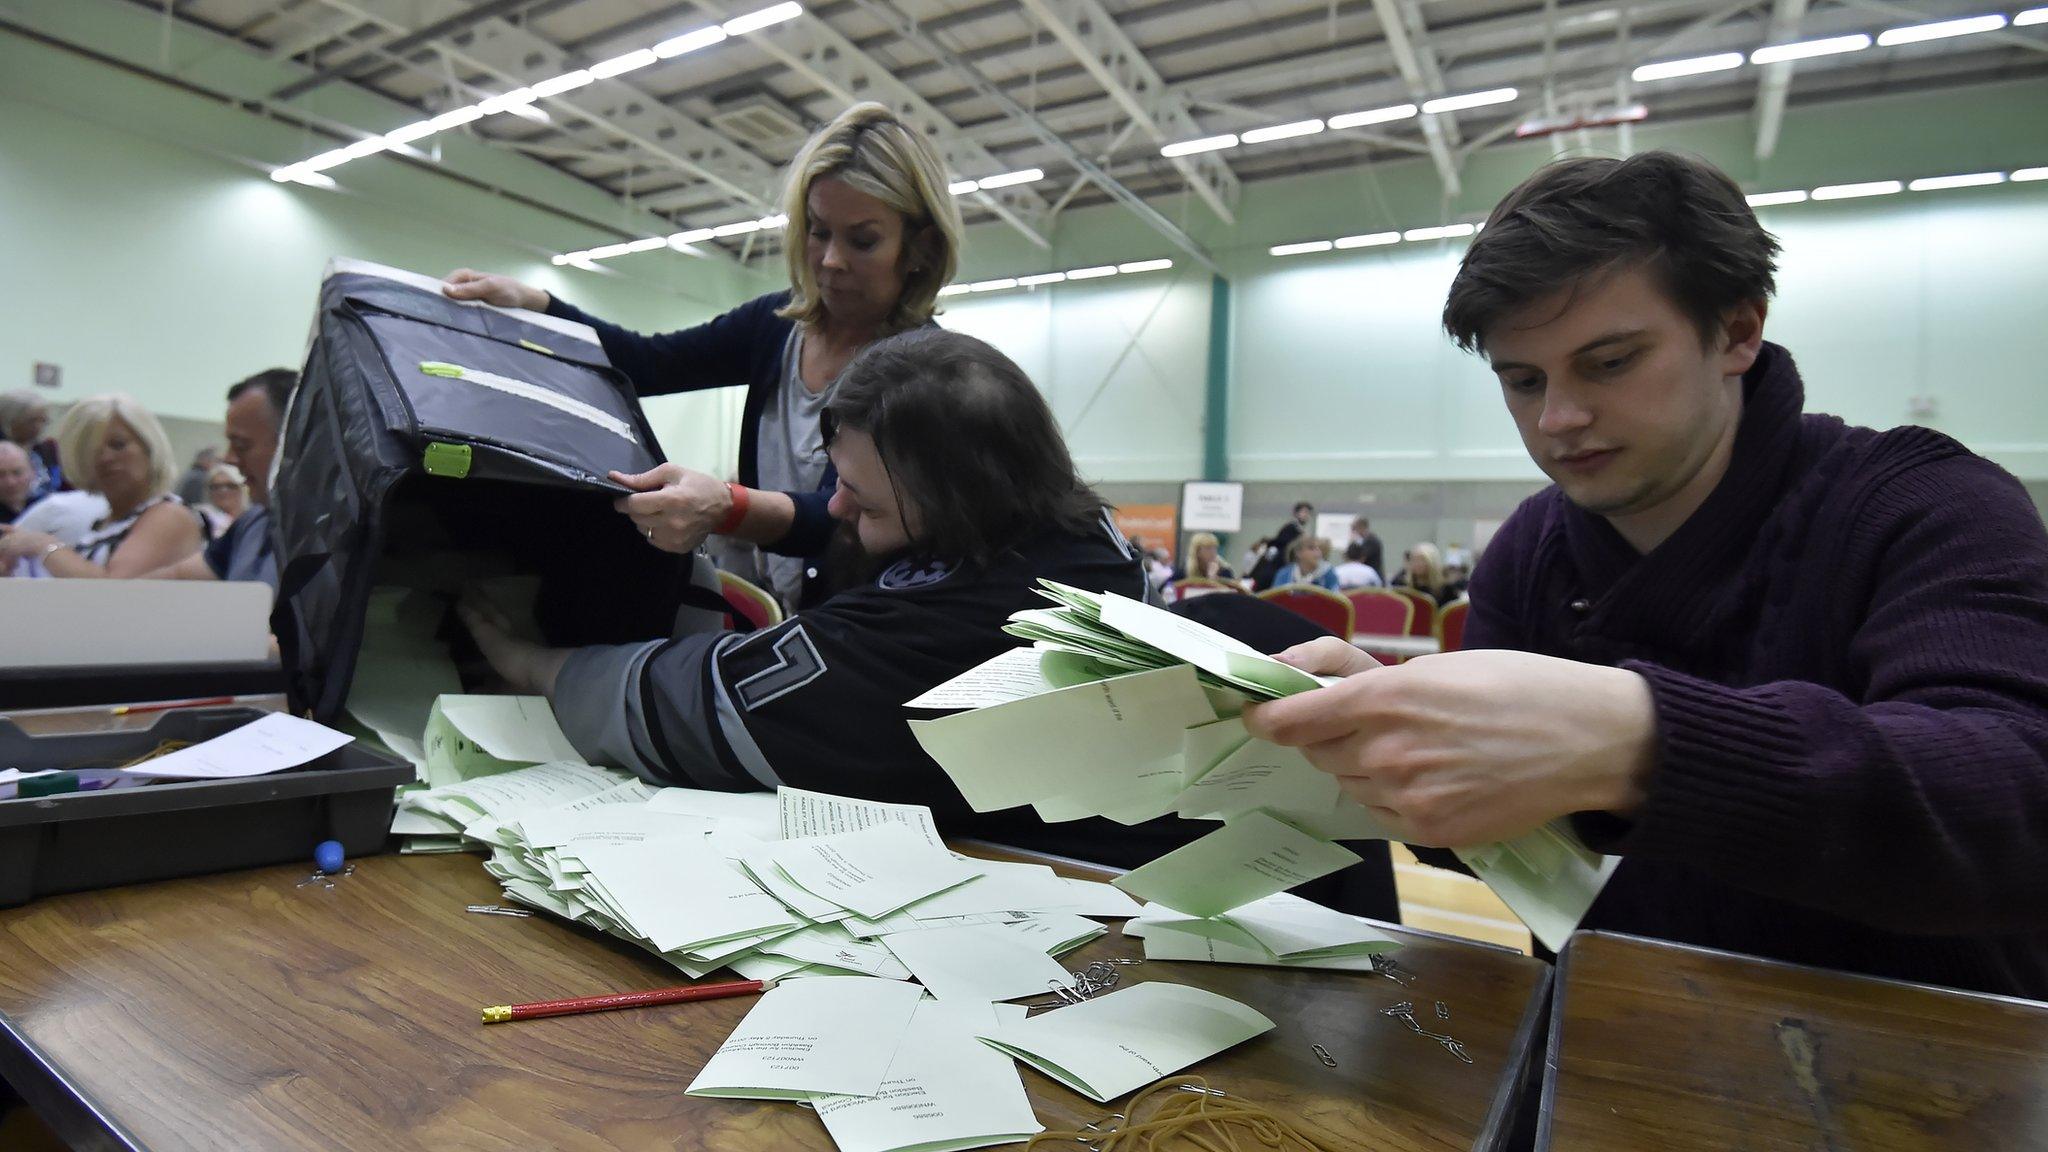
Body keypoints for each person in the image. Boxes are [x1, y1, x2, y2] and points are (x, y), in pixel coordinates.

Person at [1241, 150, 2048, 998]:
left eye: (1612, 361)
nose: (1559, 417)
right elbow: (1521, 857)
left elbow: (2017, 798)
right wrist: (1402, 743)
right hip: (1610, 1053)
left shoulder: (1924, 503)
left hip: (1930, 1070)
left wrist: (1645, 742)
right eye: (1522, 380)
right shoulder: (1531, 549)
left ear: (1737, 330)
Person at [456, 329, 1184, 865]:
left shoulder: (942, 636)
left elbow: (708, 698)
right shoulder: (1078, 533)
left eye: (862, 501)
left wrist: (526, 664)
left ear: (953, 495)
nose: (834, 509)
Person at [442, 101, 964, 613]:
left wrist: (726, 505)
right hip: (776, 603)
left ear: (918, 247)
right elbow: (650, 362)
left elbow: (838, 516)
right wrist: (541, 309)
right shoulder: (775, 326)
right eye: (817, 230)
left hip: (854, 614)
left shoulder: (922, 372)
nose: (830, 260)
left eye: (863, 241)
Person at [0, 395, 204, 578]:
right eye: (91, 451)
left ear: (149, 448)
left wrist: (42, 545)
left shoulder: (169, 516)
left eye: (118, 445)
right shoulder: (105, 522)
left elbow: (109, 591)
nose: (105, 458)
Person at [144, 368, 292, 590]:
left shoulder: (337, 536)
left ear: (292, 441)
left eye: (242, 445)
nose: (229, 459)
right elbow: (179, 576)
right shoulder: (254, 523)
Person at [0, 390, 64, 501]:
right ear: (9, 420)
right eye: (32, 421)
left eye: (43, 420)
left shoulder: (48, 449)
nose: (39, 426)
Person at [1248, 502, 1313, 590]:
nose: (1306, 515)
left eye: (1308, 513)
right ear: (1296, 513)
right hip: (1277, 567)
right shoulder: (1290, 528)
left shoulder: (1299, 530)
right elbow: (1280, 544)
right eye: (1304, 512)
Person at [1273, 536, 1339, 591]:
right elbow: (1274, 599)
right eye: (1311, 548)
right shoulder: (1285, 574)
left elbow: (1334, 601)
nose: (1317, 552)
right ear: (1298, 553)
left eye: (1319, 548)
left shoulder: (1328, 573)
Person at [1171, 531, 1235, 582]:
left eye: (1215, 548)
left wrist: (1212, 578)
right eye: (1208, 548)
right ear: (1197, 552)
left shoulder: (1224, 571)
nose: (1213, 552)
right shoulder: (1185, 571)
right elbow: (1165, 587)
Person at [201, 463, 247, 533]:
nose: (223, 491)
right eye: (216, 487)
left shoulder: (254, 518)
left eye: (230, 486)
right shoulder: (203, 518)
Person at [0, 442, 35, 525]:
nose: (10, 482)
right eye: (0, 475)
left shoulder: (46, 507)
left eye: (17, 473)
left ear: (32, 472)